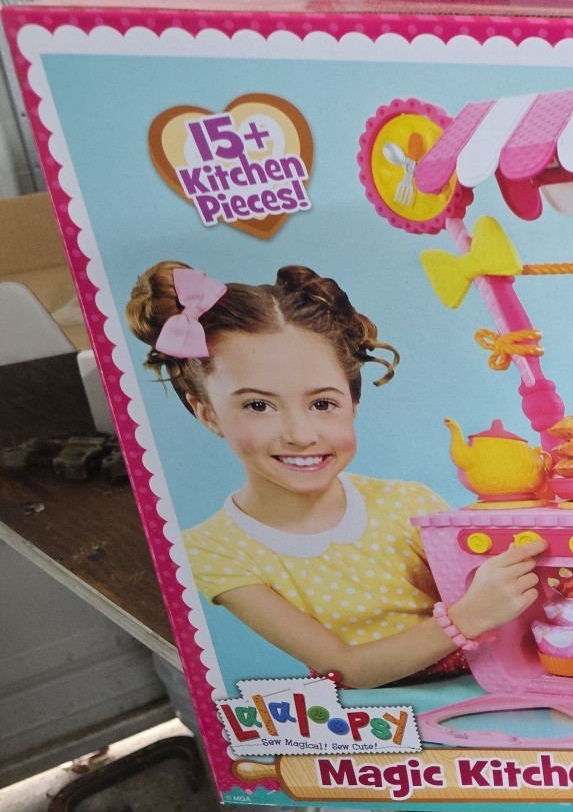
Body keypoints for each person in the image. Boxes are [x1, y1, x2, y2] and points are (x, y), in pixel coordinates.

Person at [126, 260, 541, 688]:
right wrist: (469, 616)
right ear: (208, 413)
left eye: (322, 404)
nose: (300, 435)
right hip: (374, 719)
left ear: (353, 402)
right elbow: (343, 668)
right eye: (258, 405)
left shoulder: (408, 504)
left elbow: (500, 596)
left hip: (489, 690)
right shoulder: (214, 549)